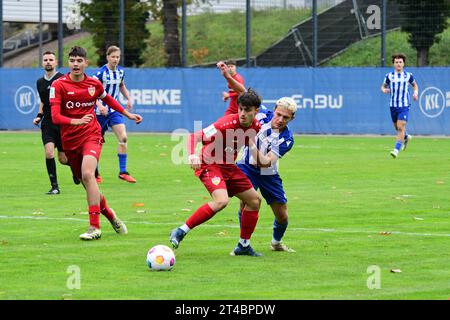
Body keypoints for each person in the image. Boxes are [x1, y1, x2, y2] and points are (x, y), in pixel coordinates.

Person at [50, 46, 143, 240]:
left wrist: (127, 114)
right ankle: (110, 215)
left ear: (86, 63)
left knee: (87, 174)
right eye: (72, 61)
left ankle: (94, 227)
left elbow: (108, 99)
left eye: (79, 61)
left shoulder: (93, 84)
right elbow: (55, 117)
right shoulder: (59, 85)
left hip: (91, 135)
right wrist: (75, 121)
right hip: (70, 141)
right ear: (69, 63)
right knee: (88, 183)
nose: (76, 64)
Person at [170, 89, 264, 256]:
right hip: (210, 164)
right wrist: (192, 154)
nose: (242, 113)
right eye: (240, 108)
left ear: (256, 111)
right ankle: (180, 231)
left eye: (247, 110)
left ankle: (243, 245)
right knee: (222, 201)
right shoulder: (225, 124)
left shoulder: (256, 126)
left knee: (255, 201)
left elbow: (246, 140)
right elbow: (194, 136)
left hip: (229, 167)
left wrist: (260, 158)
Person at [237, 97, 298, 253]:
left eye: (285, 117)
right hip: (246, 167)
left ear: (292, 118)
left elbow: (265, 162)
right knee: (247, 202)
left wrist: (250, 142)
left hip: (268, 173)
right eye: (278, 114)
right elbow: (243, 93)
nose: (280, 119)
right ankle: (243, 243)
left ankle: (276, 243)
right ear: (274, 110)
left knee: (282, 215)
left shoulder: (286, 138)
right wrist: (229, 76)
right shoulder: (262, 113)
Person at [92, 45, 136, 183]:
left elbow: (121, 85)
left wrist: (128, 98)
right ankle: (95, 172)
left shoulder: (121, 72)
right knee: (96, 143)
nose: (115, 59)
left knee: (123, 138)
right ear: (107, 57)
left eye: (117, 57)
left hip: (114, 111)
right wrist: (99, 105)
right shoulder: (100, 73)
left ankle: (123, 172)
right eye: (113, 57)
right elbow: (91, 92)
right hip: (99, 113)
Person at [33, 51, 67, 195]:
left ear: (56, 62)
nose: (48, 62)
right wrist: (39, 116)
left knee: (64, 159)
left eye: (50, 59)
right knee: (49, 153)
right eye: (45, 60)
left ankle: (77, 170)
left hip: (62, 124)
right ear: (42, 63)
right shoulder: (40, 82)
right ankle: (55, 187)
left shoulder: (63, 79)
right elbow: (43, 101)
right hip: (47, 123)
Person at [381, 53, 419, 159]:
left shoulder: (408, 76)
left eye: (400, 62)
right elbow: (383, 86)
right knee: (397, 128)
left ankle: (396, 150)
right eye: (396, 62)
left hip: (404, 105)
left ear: (403, 64)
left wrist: (415, 93)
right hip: (393, 105)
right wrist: (384, 90)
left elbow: (415, 85)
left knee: (400, 126)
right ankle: (405, 137)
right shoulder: (389, 76)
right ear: (393, 64)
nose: (398, 64)